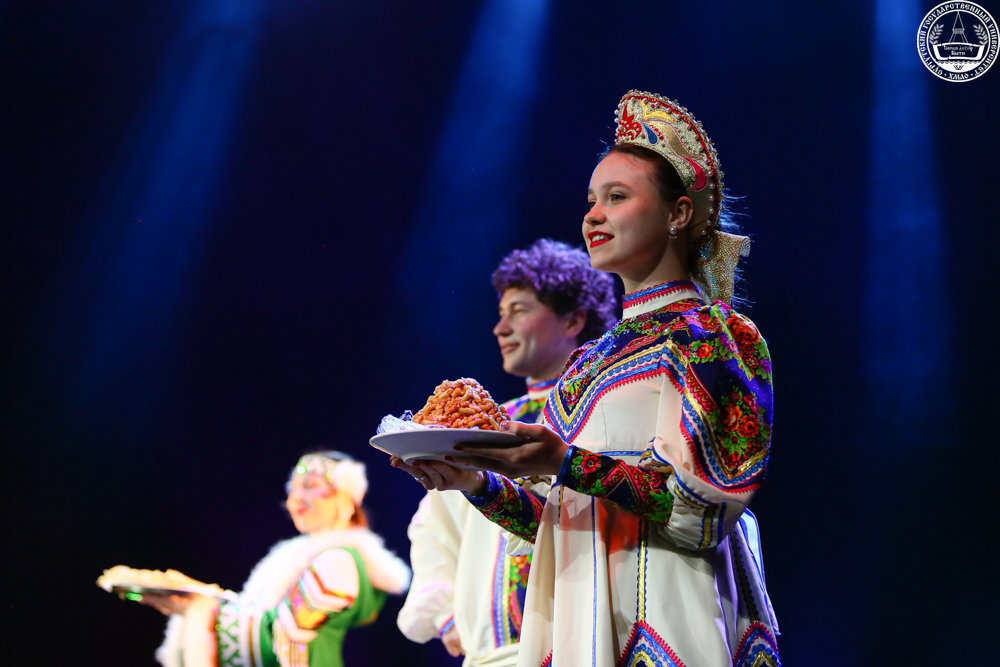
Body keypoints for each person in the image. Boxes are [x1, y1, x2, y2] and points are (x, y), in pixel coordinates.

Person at [395, 90, 781, 666]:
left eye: (617, 197)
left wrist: (565, 462)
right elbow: (556, 521)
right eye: (591, 200)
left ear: (678, 214)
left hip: (671, 612)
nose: (593, 215)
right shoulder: (586, 365)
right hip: (583, 623)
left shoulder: (712, 336)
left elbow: (701, 513)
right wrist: (473, 483)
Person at [394, 239, 616, 666]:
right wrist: (443, 612)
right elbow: (433, 528)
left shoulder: (602, 416)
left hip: (581, 644)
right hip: (493, 654)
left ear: (573, 319)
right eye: (501, 313)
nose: (500, 328)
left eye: (519, 310)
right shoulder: (483, 424)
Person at [146, 451, 410, 667]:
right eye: (293, 489)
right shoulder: (303, 556)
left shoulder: (337, 560)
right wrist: (197, 598)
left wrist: (200, 609)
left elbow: (283, 635)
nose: (296, 498)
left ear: (344, 498)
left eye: (310, 486)